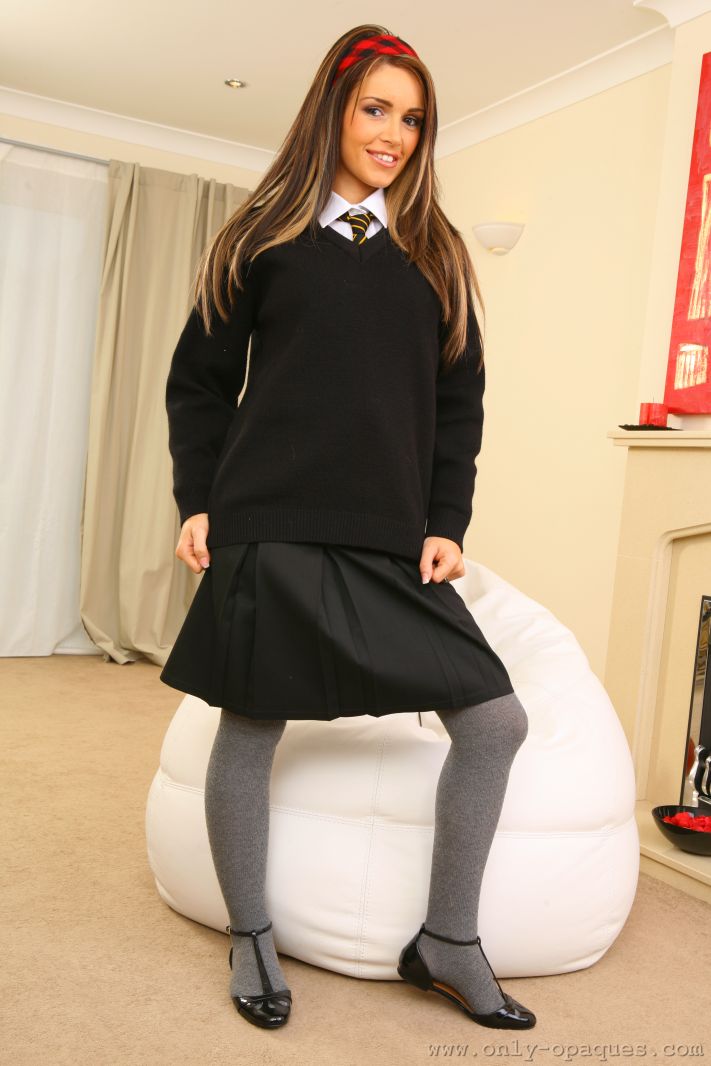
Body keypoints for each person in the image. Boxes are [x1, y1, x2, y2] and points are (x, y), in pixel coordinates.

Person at [159, 24, 536, 1032]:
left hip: (389, 537)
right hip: (268, 521)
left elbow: (459, 404)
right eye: (376, 109)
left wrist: (446, 519)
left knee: (495, 722)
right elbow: (199, 384)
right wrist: (199, 497)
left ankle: (446, 940)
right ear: (333, 109)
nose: (393, 135)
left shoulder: (436, 255)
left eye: (412, 119)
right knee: (251, 727)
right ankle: (250, 933)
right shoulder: (258, 238)